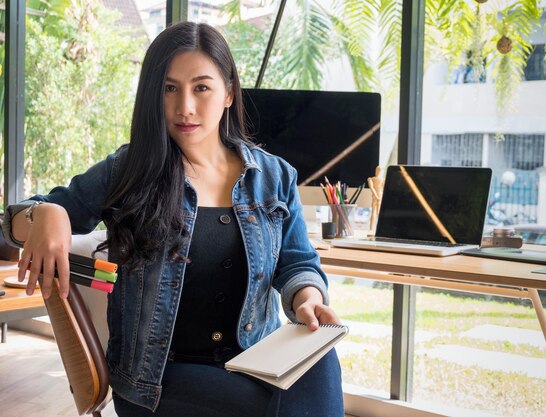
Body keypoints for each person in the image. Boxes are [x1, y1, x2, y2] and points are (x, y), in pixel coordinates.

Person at [2, 22, 344, 417]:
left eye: (201, 87)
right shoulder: (128, 171)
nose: (185, 107)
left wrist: (308, 301)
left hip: (252, 362)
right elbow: (11, 225)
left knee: (320, 362)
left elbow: (298, 263)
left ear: (229, 92)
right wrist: (45, 212)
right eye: (169, 88)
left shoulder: (274, 176)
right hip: (157, 380)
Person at [367, 165, 384, 236]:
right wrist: (376, 196)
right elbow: (372, 188)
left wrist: (380, 196)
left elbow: (383, 188)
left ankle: (379, 229)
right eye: (377, 170)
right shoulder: (371, 179)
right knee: (373, 213)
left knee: (378, 213)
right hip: (375, 196)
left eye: (379, 171)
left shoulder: (382, 180)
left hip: (379, 196)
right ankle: (371, 229)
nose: (378, 172)